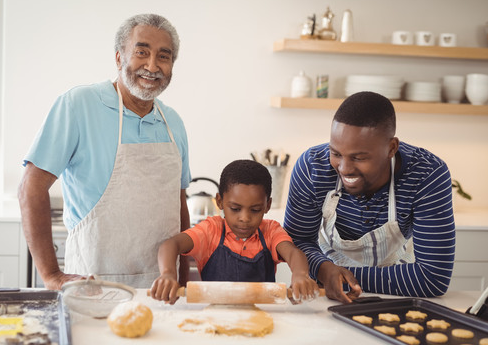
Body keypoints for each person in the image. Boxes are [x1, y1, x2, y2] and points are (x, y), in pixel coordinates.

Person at [18, 14, 191, 290]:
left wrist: (182, 282)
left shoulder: (173, 123)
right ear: (119, 58)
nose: (152, 65)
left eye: (164, 56)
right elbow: (30, 188)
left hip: (159, 291)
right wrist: (51, 274)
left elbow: (178, 204)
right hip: (92, 286)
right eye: (141, 52)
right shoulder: (78, 105)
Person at [284, 91, 455, 304]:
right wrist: (324, 268)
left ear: (391, 148)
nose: (344, 169)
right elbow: (297, 240)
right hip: (328, 294)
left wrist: (337, 276)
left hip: (399, 295)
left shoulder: (426, 174)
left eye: (359, 157)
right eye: (336, 154)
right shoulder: (312, 167)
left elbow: (432, 278)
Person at [150, 159, 320, 304]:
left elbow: (293, 253)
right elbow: (171, 244)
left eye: (255, 210)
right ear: (219, 201)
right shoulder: (211, 230)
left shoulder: (270, 231)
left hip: (265, 316)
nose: (245, 218)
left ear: (267, 205)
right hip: (215, 315)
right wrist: (168, 273)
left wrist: (301, 274)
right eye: (235, 209)